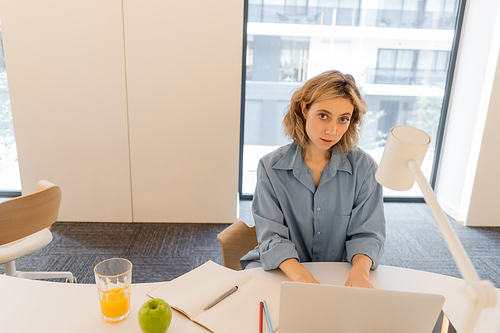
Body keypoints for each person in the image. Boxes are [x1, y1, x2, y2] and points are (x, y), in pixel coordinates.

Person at [240, 70, 386, 289]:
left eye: (343, 119)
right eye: (323, 115)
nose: (332, 130)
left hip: (340, 273)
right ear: (304, 109)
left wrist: (359, 274)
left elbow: (368, 234)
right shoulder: (270, 168)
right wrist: (303, 279)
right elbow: (272, 237)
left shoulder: (365, 169)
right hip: (283, 271)